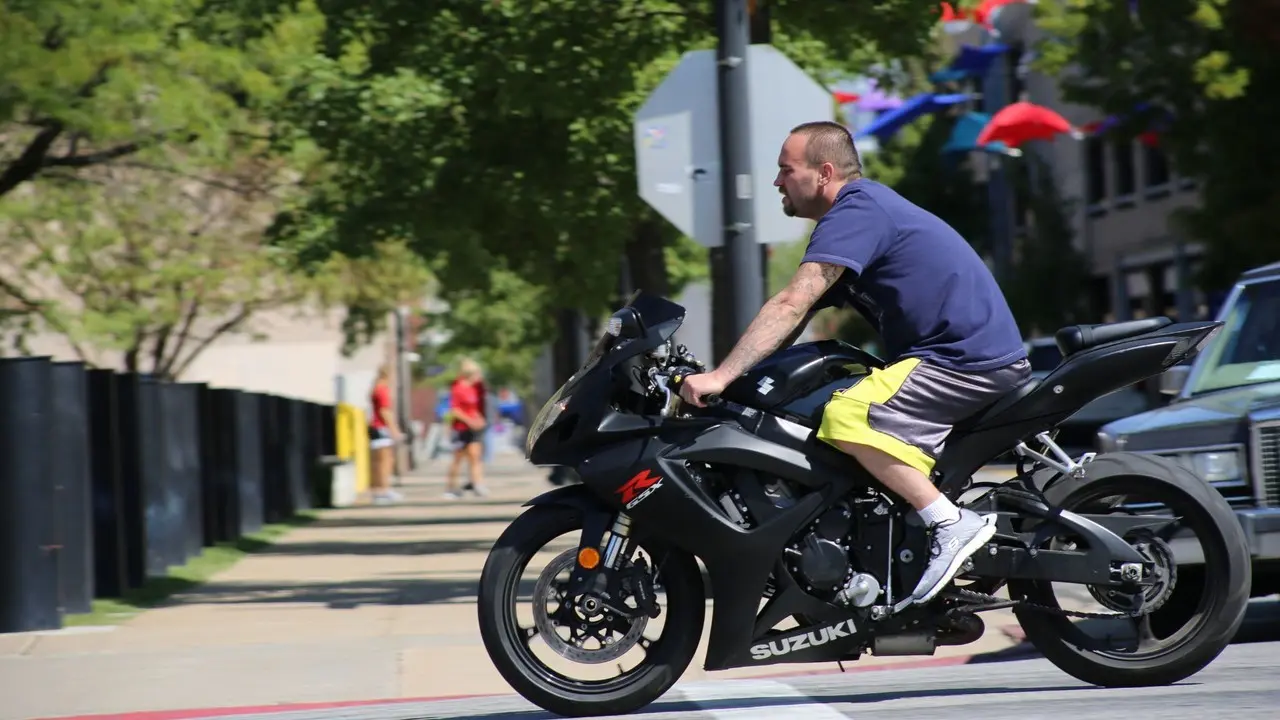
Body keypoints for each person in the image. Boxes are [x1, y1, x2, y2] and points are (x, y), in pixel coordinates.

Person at [678, 121, 1031, 609]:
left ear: (824, 173)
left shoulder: (857, 209)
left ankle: (949, 524)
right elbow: (798, 317)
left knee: (847, 415)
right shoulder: (862, 213)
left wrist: (718, 377)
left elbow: (790, 303)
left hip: (961, 360)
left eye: (786, 170)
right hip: (954, 359)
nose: (777, 182)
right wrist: (739, 378)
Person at [444, 358, 489, 499]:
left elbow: (473, 408)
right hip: (461, 428)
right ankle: (451, 487)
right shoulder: (458, 388)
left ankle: (478, 484)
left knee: (475, 456)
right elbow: (455, 410)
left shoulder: (473, 389)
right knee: (458, 458)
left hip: (473, 428)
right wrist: (469, 421)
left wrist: (479, 419)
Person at [368, 365, 404, 504]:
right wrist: (394, 429)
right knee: (385, 461)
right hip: (381, 428)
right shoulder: (383, 390)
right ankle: (383, 490)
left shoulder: (375, 388)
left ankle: (379, 490)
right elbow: (385, 411)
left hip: (375, 428)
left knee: (378, 462)